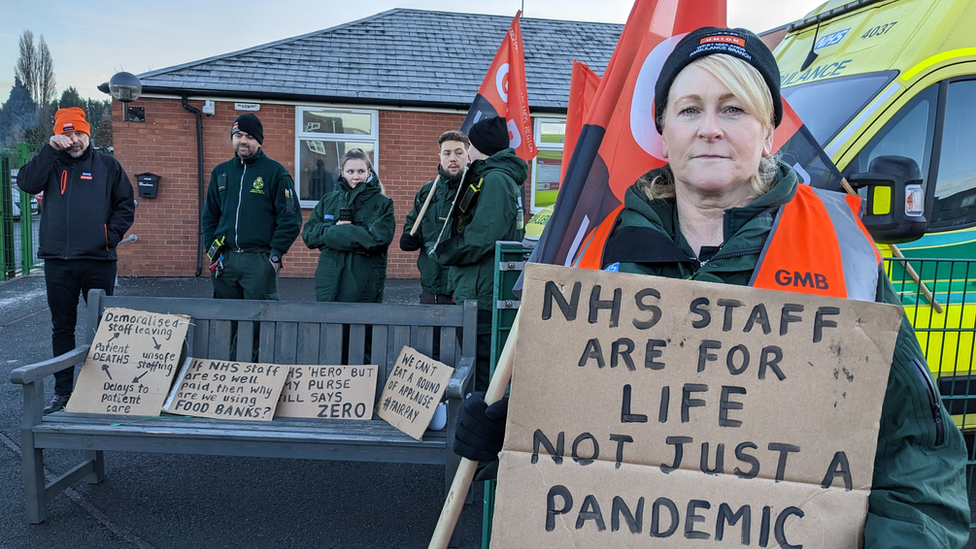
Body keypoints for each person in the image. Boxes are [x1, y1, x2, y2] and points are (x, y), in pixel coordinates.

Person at [453, 27, 970, 548]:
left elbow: (917, 453)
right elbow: (573, 422)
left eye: (733, 109)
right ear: (663, 129)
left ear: (768, 131)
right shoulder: (596, 249)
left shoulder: (843, 250)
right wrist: (514, 434)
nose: (710, 129)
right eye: (689, 109)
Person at [17, 107, 135, 413]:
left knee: (104, 327)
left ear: (89, 133)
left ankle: (103, 390)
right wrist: (50, 150)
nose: (75, 140)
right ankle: (64, 392)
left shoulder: (108, 165)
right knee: (62, 328)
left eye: (80, 133)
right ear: (58, 136)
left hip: (99, 260)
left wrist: (109, 236)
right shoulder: (50, 165)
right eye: (68, 134)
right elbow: (27, 183)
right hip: (59, 261)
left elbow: (125, 205)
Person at [429, 116, 526, 391]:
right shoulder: (495, 177)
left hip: (482, 290)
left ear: (480, 147)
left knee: (481, 368)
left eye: (469, 145)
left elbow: (482, 236)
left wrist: (444, 253)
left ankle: (480, 428)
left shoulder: (495, 179)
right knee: (479, 364)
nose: (467, 151)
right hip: (479, 286)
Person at [202, 113, 302, 301]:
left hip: (259, 260)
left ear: (259, 141)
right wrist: (212, 251)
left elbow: (290, 218)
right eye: (238, 135)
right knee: (227, 319)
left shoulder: (276, 172)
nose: (243, 141)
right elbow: (210, 216)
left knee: (260, 320)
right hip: (226, 258)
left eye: (250, 137)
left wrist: (275, 256)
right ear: (232, 138)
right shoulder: (220, 173)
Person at [301, 148, 394, 303]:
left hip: (364, 284)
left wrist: (330, 235)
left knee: (362, 327)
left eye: (361, 171)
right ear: (342, 172)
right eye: (350, 171)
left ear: (369, 172)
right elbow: (309, 235)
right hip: (329, 282)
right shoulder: (328, 200)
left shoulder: (382, 203)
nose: (356, 176)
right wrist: (339, 231)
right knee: (331, 326)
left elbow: (378, 240)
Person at [399, 130, 470, 305]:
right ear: (440, 156)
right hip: (432, 286)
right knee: (431, 333)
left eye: (458, 153)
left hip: (464, 286)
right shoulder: (426, 192)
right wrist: (410, 236)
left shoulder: (475, 190)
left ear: (468, 156)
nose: (452, 158)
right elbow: (413, 223)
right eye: (447, 153)